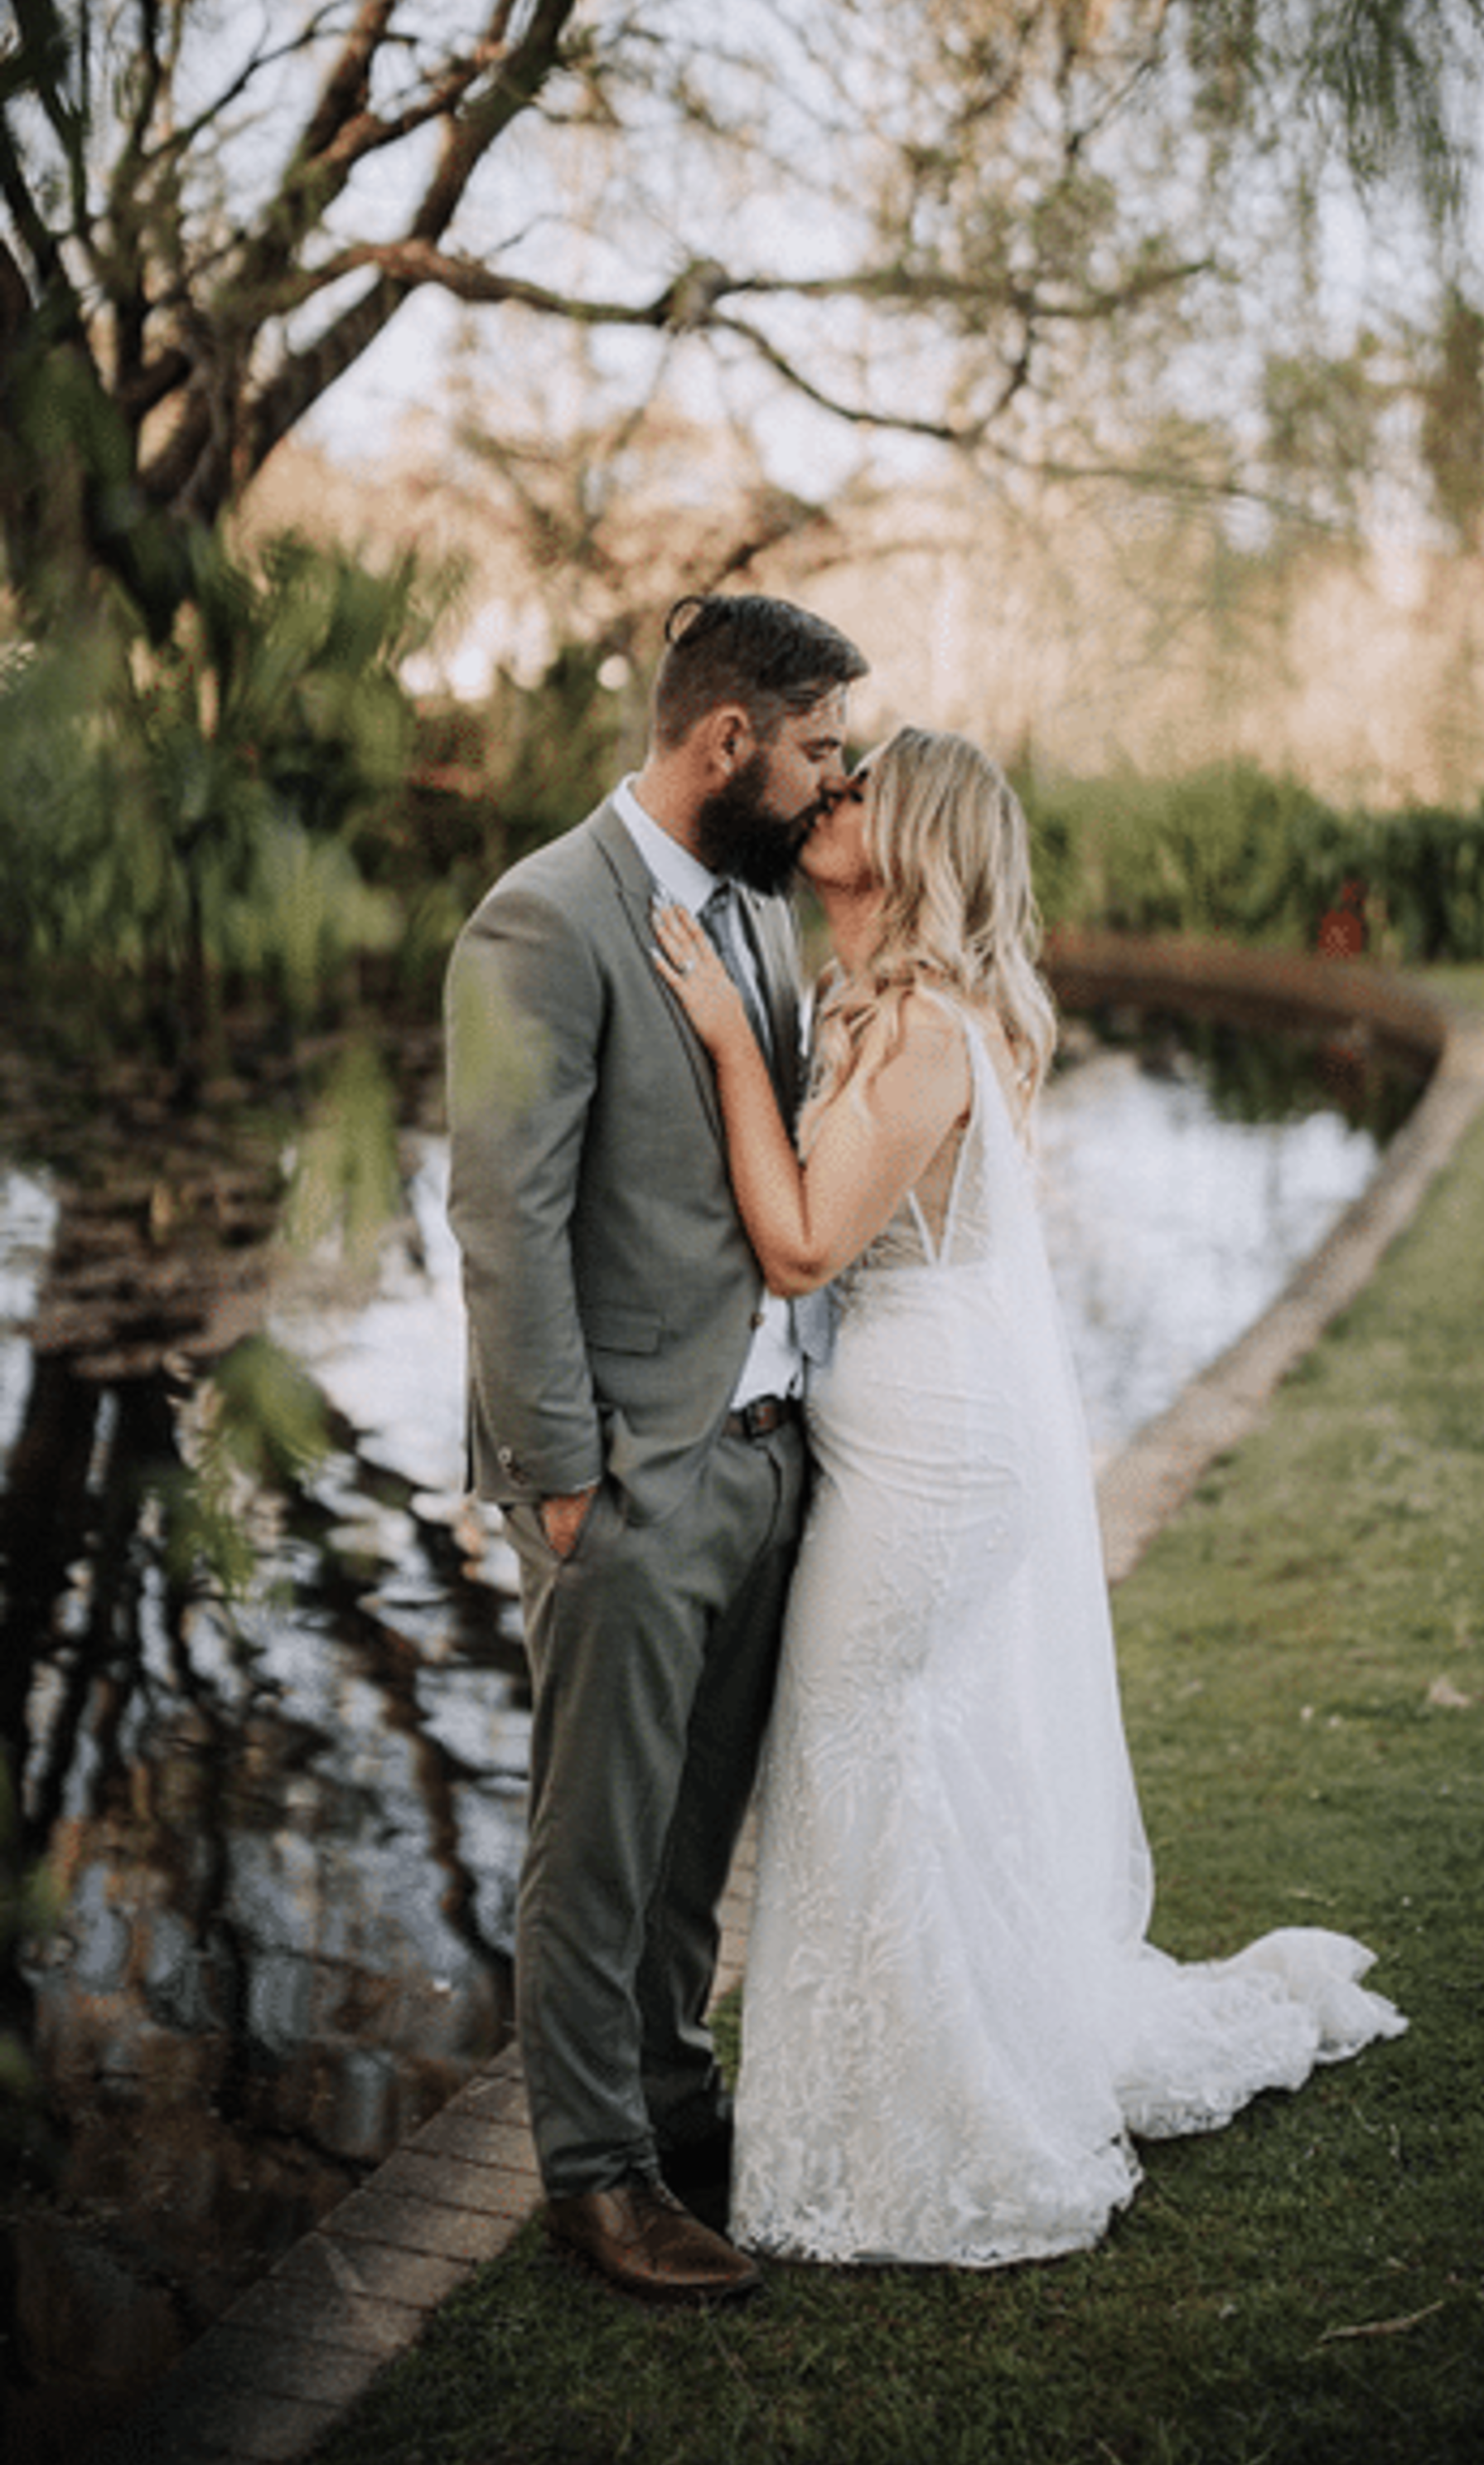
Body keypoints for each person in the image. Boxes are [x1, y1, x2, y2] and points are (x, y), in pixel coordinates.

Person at [655, 725, 1406, 2268]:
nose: (827, 799)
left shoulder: (928, 1028)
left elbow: (802, 1246)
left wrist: (733, 1044)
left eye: (860, 792)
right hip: (911, 1423)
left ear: (917, 843)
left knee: (856, 1737)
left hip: (934, 1444)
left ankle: (929, 2131)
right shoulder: (890, 1007)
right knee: (893, 1749)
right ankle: (882, 2101)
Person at [444, 592, 868, 2304]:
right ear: (727, 743)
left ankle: (674, 2102)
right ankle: (596, 2177)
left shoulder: (755, 916)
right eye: (820, 750)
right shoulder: (540, 920)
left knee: (695, 1841)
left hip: (765, 1460)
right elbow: (503, 1217)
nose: (834, 783)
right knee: (598, 1846)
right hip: (629, 1478)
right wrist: (562, 1481)